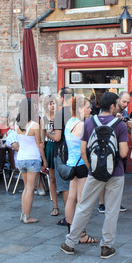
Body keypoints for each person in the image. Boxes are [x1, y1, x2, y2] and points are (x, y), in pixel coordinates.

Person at [60, 92, 128, 259]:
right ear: (112, 106)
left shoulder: (89, 122)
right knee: (112, 210)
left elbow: (83, 150)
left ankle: (70, 242)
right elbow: (124, 153)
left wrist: (92, 167)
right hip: (116, 172)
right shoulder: (120, 125)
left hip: (94, 172)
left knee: (83, 206)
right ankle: (106, 246)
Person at [64, 96, 98, 243]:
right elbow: (86, 149)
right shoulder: (82, 125)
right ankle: (81, 234)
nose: (90, 109)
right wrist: (90, 166)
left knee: (71, 198)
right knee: (81, 200)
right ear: (79, 108)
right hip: (82, 164)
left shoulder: (69, 122)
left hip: (71, 163)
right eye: (87, 107)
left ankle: (71, 229)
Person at [16, 98, 47, 224]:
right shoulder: (35, 125)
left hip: (21, 158)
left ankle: (23, 214)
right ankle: (27, 216)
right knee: (30, 189)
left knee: (26, 188)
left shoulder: (16, 124)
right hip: (32, 158)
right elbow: (39, 144)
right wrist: (44, 160)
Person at [46, 87, 74, 226]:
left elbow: (57, 137)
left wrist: (47, 134)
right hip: (75, 153)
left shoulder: (59, 114)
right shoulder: (78, 113)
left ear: (62, 98)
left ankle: (69, 218)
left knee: (65, 187)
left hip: (62, 152)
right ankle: (75, 215)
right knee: (75, 185)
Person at [99, 91, 130, 213]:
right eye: (124, 101)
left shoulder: (125, 112)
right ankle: (101, 203)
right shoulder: (107, 113)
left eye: (128, 102)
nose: (126, 104)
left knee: (116, 179)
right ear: (116, 103)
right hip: (105, 149)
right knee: (103, 178)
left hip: (118, 148)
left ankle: (116, 202)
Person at [40, 94, 59, 216]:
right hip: (50, 147)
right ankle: (55, 206)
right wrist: (43, 159)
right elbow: (41, 140)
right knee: (52, 178)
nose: (52, 105)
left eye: (54, 103)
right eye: (50, 103)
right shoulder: (43, 119)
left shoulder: (61, 117)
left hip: (60, 147)